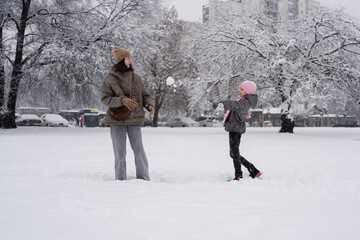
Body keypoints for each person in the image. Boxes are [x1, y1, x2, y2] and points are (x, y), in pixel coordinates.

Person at [101, 46, 155, 181]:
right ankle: (120, 180)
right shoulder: (110, 79)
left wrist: (149, 105)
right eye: (127, 58)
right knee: (119, 152)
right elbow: (105, 98)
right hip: (116, 119)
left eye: (130, 58)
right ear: (120, 60)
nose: (130, 60)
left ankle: (143, 179)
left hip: (134, 118)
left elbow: (145, 95)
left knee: (139, 151)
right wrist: (121, 100)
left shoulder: (136, 78)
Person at [215, 81, 262, 181]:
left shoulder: (244, 102)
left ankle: (239, 175)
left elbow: (234, 105)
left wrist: (223, 104)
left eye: (241, 89)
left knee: (234, 153)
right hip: (234, 127)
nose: (239, 90)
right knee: (233, 153)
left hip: (236, 129)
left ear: (247, 91)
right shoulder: (243, 100)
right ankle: (252, 170)